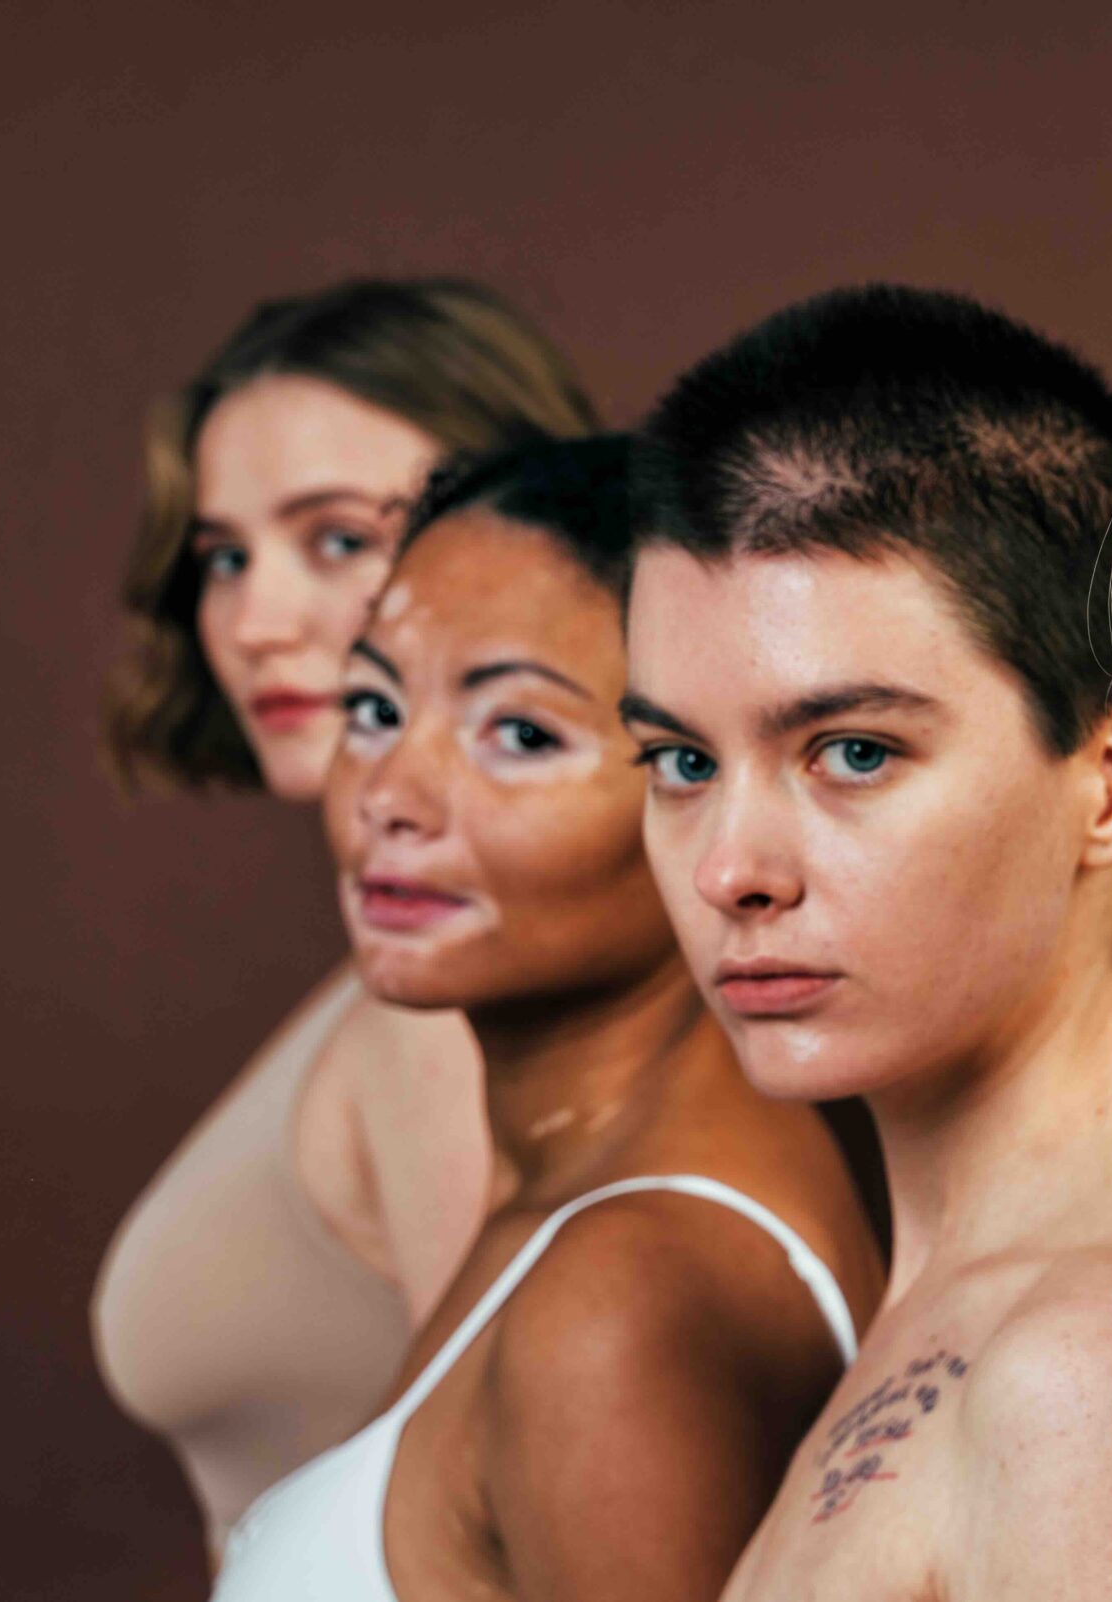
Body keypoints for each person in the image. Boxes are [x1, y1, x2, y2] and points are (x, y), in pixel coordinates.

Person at [618, 285, 1112, 1600]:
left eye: (853, 752)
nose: (730, 869)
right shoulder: (976, 1309)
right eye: (682, 759)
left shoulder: (1100, 1371)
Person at [214, 435, 882, 1600]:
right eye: (372, 707)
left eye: (518, 733)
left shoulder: (628, 1299)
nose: (389, 797)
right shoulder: (578, 1212)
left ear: (700, 778)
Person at [93, 278, 597, 1555]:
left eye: (333, 539)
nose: (254, 623)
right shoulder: (414, 962)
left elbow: (520, 1538)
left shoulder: (452, 1013)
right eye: (224, 558)